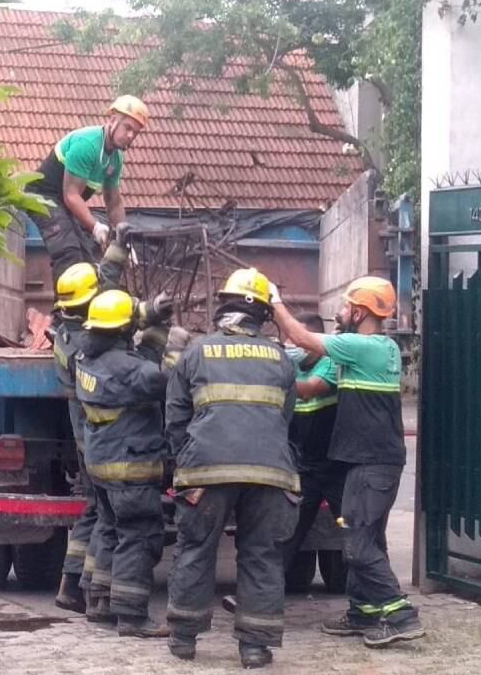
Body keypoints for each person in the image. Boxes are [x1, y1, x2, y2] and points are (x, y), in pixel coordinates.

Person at [271, 276, 426, 648]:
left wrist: (274, 301)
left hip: (372, 463)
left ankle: (400, 614)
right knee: (364, 537)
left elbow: (304, 338)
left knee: (358, 543)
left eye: (344, 307)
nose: (339, 313)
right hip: (366, 461)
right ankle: (363, 612)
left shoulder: (364, 346)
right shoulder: (371, 348)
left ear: (359, 312)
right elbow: (305, 354)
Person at [163, 268, 301, 669]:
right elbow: (285, 417)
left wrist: (186, 457)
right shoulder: (280, 358)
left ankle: (184, 639)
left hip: (206, 472)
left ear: (223, 306)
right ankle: (255, 647)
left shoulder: (196, 352)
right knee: (262, 556)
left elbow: (175, 416)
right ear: (262, 315)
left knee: (195, 550)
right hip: (271, 473)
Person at [75, 289, 181, 638]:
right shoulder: (133, 371)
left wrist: (154, 315)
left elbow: (140, 351)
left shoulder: (85, 357)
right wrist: (177, 352)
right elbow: (167, 381)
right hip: (130, 467)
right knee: (140, 536)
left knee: (109, 529)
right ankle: (132, 616)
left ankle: (99, 602)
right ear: (123, 331)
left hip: (101, 465)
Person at [222, 312, 341, 614]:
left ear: (314, 341)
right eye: (288, 341)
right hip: (303, 467)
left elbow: (309, 388)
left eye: (298, 340)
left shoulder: (330, 364)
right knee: (286, 536)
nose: (291, 345)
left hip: (335, 465)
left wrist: (272, 372)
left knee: (354, 530)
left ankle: (371, 600)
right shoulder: (289, 365)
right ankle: (253, 600)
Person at [52, 235, 133, 614]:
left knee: (93, 508)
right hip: (95, 437)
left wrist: (117, 247)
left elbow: (105, 279)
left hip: (84, 434)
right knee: (103, 512)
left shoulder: (66, 329)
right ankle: (88, 587)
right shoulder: (87, 340)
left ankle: (72, 584)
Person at [28, 96, 149, 281]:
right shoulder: (87, 145)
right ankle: (63, 309)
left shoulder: (115, 159)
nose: (131, 136)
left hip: (63, 205)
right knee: (69, 254)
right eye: (128, 128)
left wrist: (125, 240)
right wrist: (95, 227)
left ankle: (85, 308)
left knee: (86, 263)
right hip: (43, 196)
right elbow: (71, 196)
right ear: (113, 121)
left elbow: (114, 203)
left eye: (136, 132)